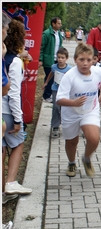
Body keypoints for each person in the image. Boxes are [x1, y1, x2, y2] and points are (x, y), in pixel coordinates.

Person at [56, 43, 101, 178]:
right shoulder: (69, 76)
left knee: (94, 138)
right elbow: (59, 99)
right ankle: (72, 163)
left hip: (90, 110)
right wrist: (73, 102)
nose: (85, 63)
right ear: (75, 59)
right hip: (71, 112)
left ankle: (87, 158)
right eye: (81, 60)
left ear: (94, 60)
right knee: (72, 141)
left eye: (89, 60)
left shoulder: (98, 71)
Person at [3, 18, 32, 204]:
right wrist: (18, 118)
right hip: (7, 109)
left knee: (2, 149)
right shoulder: (13, 61)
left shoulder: (3, 57)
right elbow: (13, 93)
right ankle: (11, 182)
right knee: (19, 143)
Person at [42, 47, 73, 138]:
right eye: (59, 57)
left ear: (66, 58)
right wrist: (46, 82)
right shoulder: (54, 67)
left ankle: (67, 125)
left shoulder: (69, 69)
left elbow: (72, 79)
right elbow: (51, 74)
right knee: (56, 107)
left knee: (64, 108)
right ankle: (55, 126)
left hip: (65, 91)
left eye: (62, 58)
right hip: (55, 89)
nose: (60, 60)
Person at [39, 17, 63, 103]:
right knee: (50, 77)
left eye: (60, 23)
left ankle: (50, 93)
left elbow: (59, 45)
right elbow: (41, 47)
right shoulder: (46, 34)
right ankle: (46, 95)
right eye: (59, 23)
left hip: (57, 59)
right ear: (53, 24)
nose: (60, 25)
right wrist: (41, 59)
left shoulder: (59, 34)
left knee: (56, 77)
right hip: (48, 59)